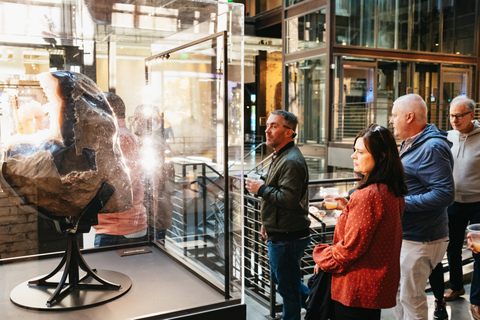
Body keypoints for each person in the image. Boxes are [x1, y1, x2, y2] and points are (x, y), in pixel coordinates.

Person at [313, 124, 407, 320]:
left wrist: (321, 256)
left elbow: (350, 249)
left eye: (360, 152)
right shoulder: (390, 189)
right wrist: (348, 208)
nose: (353, 156)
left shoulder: (367, 195)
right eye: (354, 150)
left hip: (356, 290)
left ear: (381, 157)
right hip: (374, 288)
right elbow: (375, 228)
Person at [389, 94, 455, 320]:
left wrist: (399, 203)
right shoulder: (413, 143)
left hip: (422, 239)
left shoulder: (432, 147)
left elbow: (445, 194)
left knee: (411, 299)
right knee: (400, 296)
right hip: (410, 236)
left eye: (394, 115)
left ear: (409, 117)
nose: (391, 120)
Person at [245, 110, 310, 320]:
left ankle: (308, 306)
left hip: (288, 236)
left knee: (288, 291)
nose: (268, 130)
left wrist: (261, 189)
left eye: (274, 126)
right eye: (268, 125)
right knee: (283, 280)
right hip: (279, 232)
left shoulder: (290, 160)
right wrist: (268, 222)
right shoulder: (280, 154)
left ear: (288, 132)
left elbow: (289, 199)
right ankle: (314, 301)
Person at [93, 92, 148, 246]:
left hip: (121, 228)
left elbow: (123, 184)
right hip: (116, 226)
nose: (92, 114)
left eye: (97, 109)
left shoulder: (119, 139)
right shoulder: (115, 137)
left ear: (111, 111)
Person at [444, 95, 480, 319]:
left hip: (478, 204)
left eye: (459, 115)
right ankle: (456, 286)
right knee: (452, 248)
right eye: (451, 116)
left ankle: (476, 300)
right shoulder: (448, 136)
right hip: (453, 202)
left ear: (472, 115)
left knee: (479, 253)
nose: (454, 120)